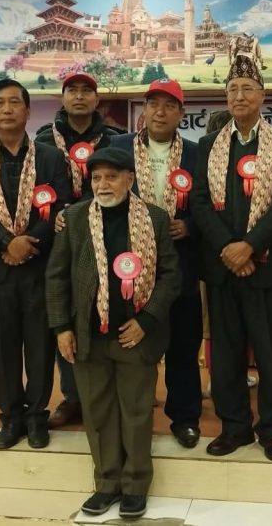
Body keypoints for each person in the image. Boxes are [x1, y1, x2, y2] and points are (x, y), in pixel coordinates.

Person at [47, 147, 180, 519]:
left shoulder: (155, 218)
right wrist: (61, 327)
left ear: (129, 179)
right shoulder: (74, 218)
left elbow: (171, 276)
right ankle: (106, 483)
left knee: (136, 412)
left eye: (111, 177)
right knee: (98, 412)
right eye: (97, 178)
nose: (103, 184)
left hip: (135, 335)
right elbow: (56, 277)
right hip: (87, 336)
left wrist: (146, 320)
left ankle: (135, 485)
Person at [189, 55, 272, 462]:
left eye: (247, 89)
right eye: (233, 89)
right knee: (226, 355)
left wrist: (249, 245)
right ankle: (234, 427)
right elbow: (200, 202)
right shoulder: (209, 146)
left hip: (267, 269)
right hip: (223, 269)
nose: (239, 96)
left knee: (270, 356)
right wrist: (228, 248)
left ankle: (271, 431)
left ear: (262, 95)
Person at [0, 79, 71, 450]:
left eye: (14, 102)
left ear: (27, 111)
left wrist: (27, 245)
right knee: (5, 349)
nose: (6, 109)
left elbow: (61, 207)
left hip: (38, 268)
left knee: (40, 346)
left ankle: (37, 416)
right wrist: (7, 242)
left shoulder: (50, 157)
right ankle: (11, 418)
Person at [109, 79, 204, 448]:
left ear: (181, 113)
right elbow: (102, 195)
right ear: (144, 110)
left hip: (181, 265)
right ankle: (131, 417)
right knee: (132, 345)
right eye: (153, 104)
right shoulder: (118, 148)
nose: (160, 112)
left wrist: (190, 225)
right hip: (129, 267)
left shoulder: (197, 153)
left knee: (183, 344)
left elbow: (210, 202)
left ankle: (185, 418)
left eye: (169, 106)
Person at [39, 72, 124, 429]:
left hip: (106, 237)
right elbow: (37, 187)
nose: (78, 96)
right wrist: (62, 214)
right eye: (71, 90)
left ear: (96, 99)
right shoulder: (44, 139)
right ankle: (73, 396)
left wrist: (82, 213)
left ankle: (113, 392)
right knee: (67, 316)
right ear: (62, 98)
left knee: (107, 313)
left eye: (86, 91)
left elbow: (120, 185)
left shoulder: (116, 138)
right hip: (59, 237)